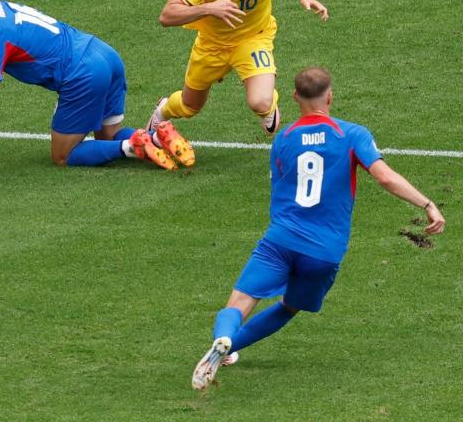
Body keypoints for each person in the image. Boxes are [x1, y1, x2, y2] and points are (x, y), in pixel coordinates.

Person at [190, 67, 446, 390]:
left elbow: (280, 185)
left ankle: (223, 340)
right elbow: (384, 176)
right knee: (290, 306)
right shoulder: (351, 134)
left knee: (238, 303)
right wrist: (426, 204)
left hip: (280, 240)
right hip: (323, 251)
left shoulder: (283, 138)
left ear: (295, 97)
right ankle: (231, 348)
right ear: (330, 96)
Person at [0, 0, 195, 188]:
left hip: (82, 73)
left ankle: (134, 146)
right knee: (108, 137)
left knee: (63, 156)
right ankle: (156, 137)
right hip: (105, 54)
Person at [147, 0, 329, 137]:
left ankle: (267, 105)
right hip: (212, 45)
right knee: (190, 106)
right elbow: (166, 16)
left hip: (254, 38)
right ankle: (163, 110)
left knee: (260, 102)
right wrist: (209, 8)